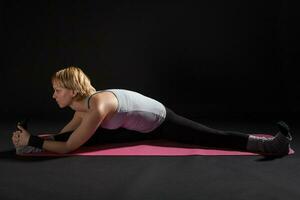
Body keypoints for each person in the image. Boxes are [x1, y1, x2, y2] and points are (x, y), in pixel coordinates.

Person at [12, 66, 293, 156]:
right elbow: (65, 133)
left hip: (161, 120)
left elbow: (70, 145)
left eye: (58, 90)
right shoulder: (79, 105)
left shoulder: (97, 106)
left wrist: (35, 142)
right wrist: (31, 139)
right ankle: (28, 145)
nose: (53, 95)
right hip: (128, 126)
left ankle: (272, 145)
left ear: (72, 91)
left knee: (210, 137)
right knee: (89, 140)